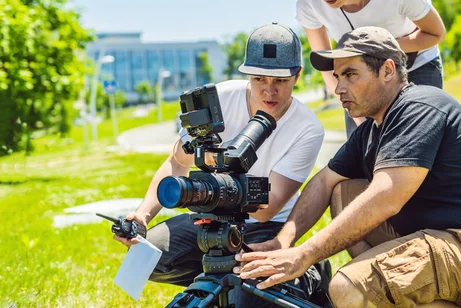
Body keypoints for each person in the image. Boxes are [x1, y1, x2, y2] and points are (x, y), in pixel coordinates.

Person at [236, 26, 461, 308]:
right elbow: (324, 182)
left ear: (388, 71)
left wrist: (305, 255)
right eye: (337, 76)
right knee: (344, 191)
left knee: (347, 288)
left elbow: (387, 196)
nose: (339, 88)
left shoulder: (420, 105)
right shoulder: (372, 129)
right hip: (440, 242)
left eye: (351, 75)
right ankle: (384, 292)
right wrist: (284, 241)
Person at [114, 23, 326, 307]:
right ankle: (219, 282)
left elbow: (267, 208)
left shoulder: (308, 127)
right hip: (212, 216)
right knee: (150, 258)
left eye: (280, 81)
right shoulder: (221, 98)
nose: (269, 91)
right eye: (259, 79)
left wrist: (215, 161)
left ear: (297, 76)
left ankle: (308, 276)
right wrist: (142, 215)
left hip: (266, 227)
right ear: (247, 74)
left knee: (251, 296)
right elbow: (176, 162)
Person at [295, 0, 447, 136]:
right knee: (362, 151)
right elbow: (326, 61)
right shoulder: (308, 3)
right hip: (359, 78)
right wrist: (347, 100)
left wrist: (380, 49)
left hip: (415, 67)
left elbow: (436, 34)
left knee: (415, 144)